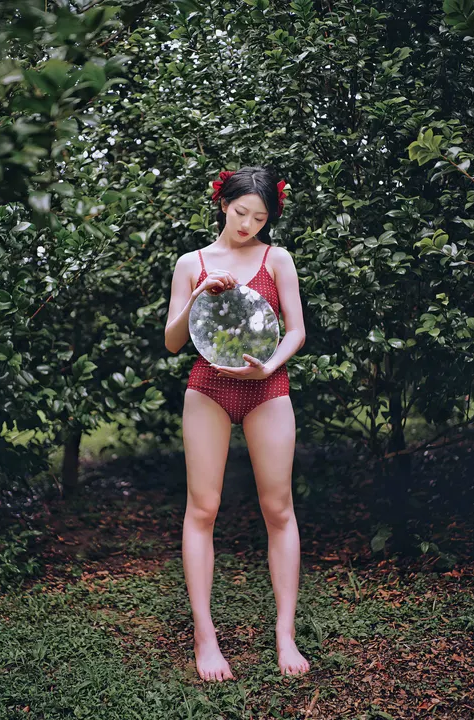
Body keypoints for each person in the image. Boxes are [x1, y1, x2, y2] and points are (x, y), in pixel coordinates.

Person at [165, 166, 309, 682]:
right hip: (208, 388)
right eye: (241, 212)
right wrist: (199, 293)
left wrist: (269, 367)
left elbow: (296, 330)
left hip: (267, 388)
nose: (248, 224)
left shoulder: (277, 259)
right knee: (203, 509)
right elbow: (173, 342)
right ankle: (205, 637)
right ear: (222, 203)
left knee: (278, 509)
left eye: (260, 218)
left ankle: (285, 634)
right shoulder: (193, 262)